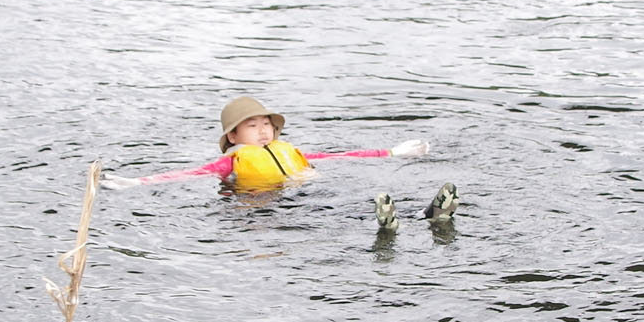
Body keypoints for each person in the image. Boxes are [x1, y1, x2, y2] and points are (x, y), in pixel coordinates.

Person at [104, 96, 428, 192]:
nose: (263, 132)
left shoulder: (289, 152)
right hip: (262, 210)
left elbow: (339, 156)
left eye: (267, 126)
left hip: (306, 192)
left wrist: (391, 152)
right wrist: (136, 182)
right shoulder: (229, 162)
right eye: (253, 126)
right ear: (233, 136)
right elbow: (188, 174)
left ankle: (414, 217)